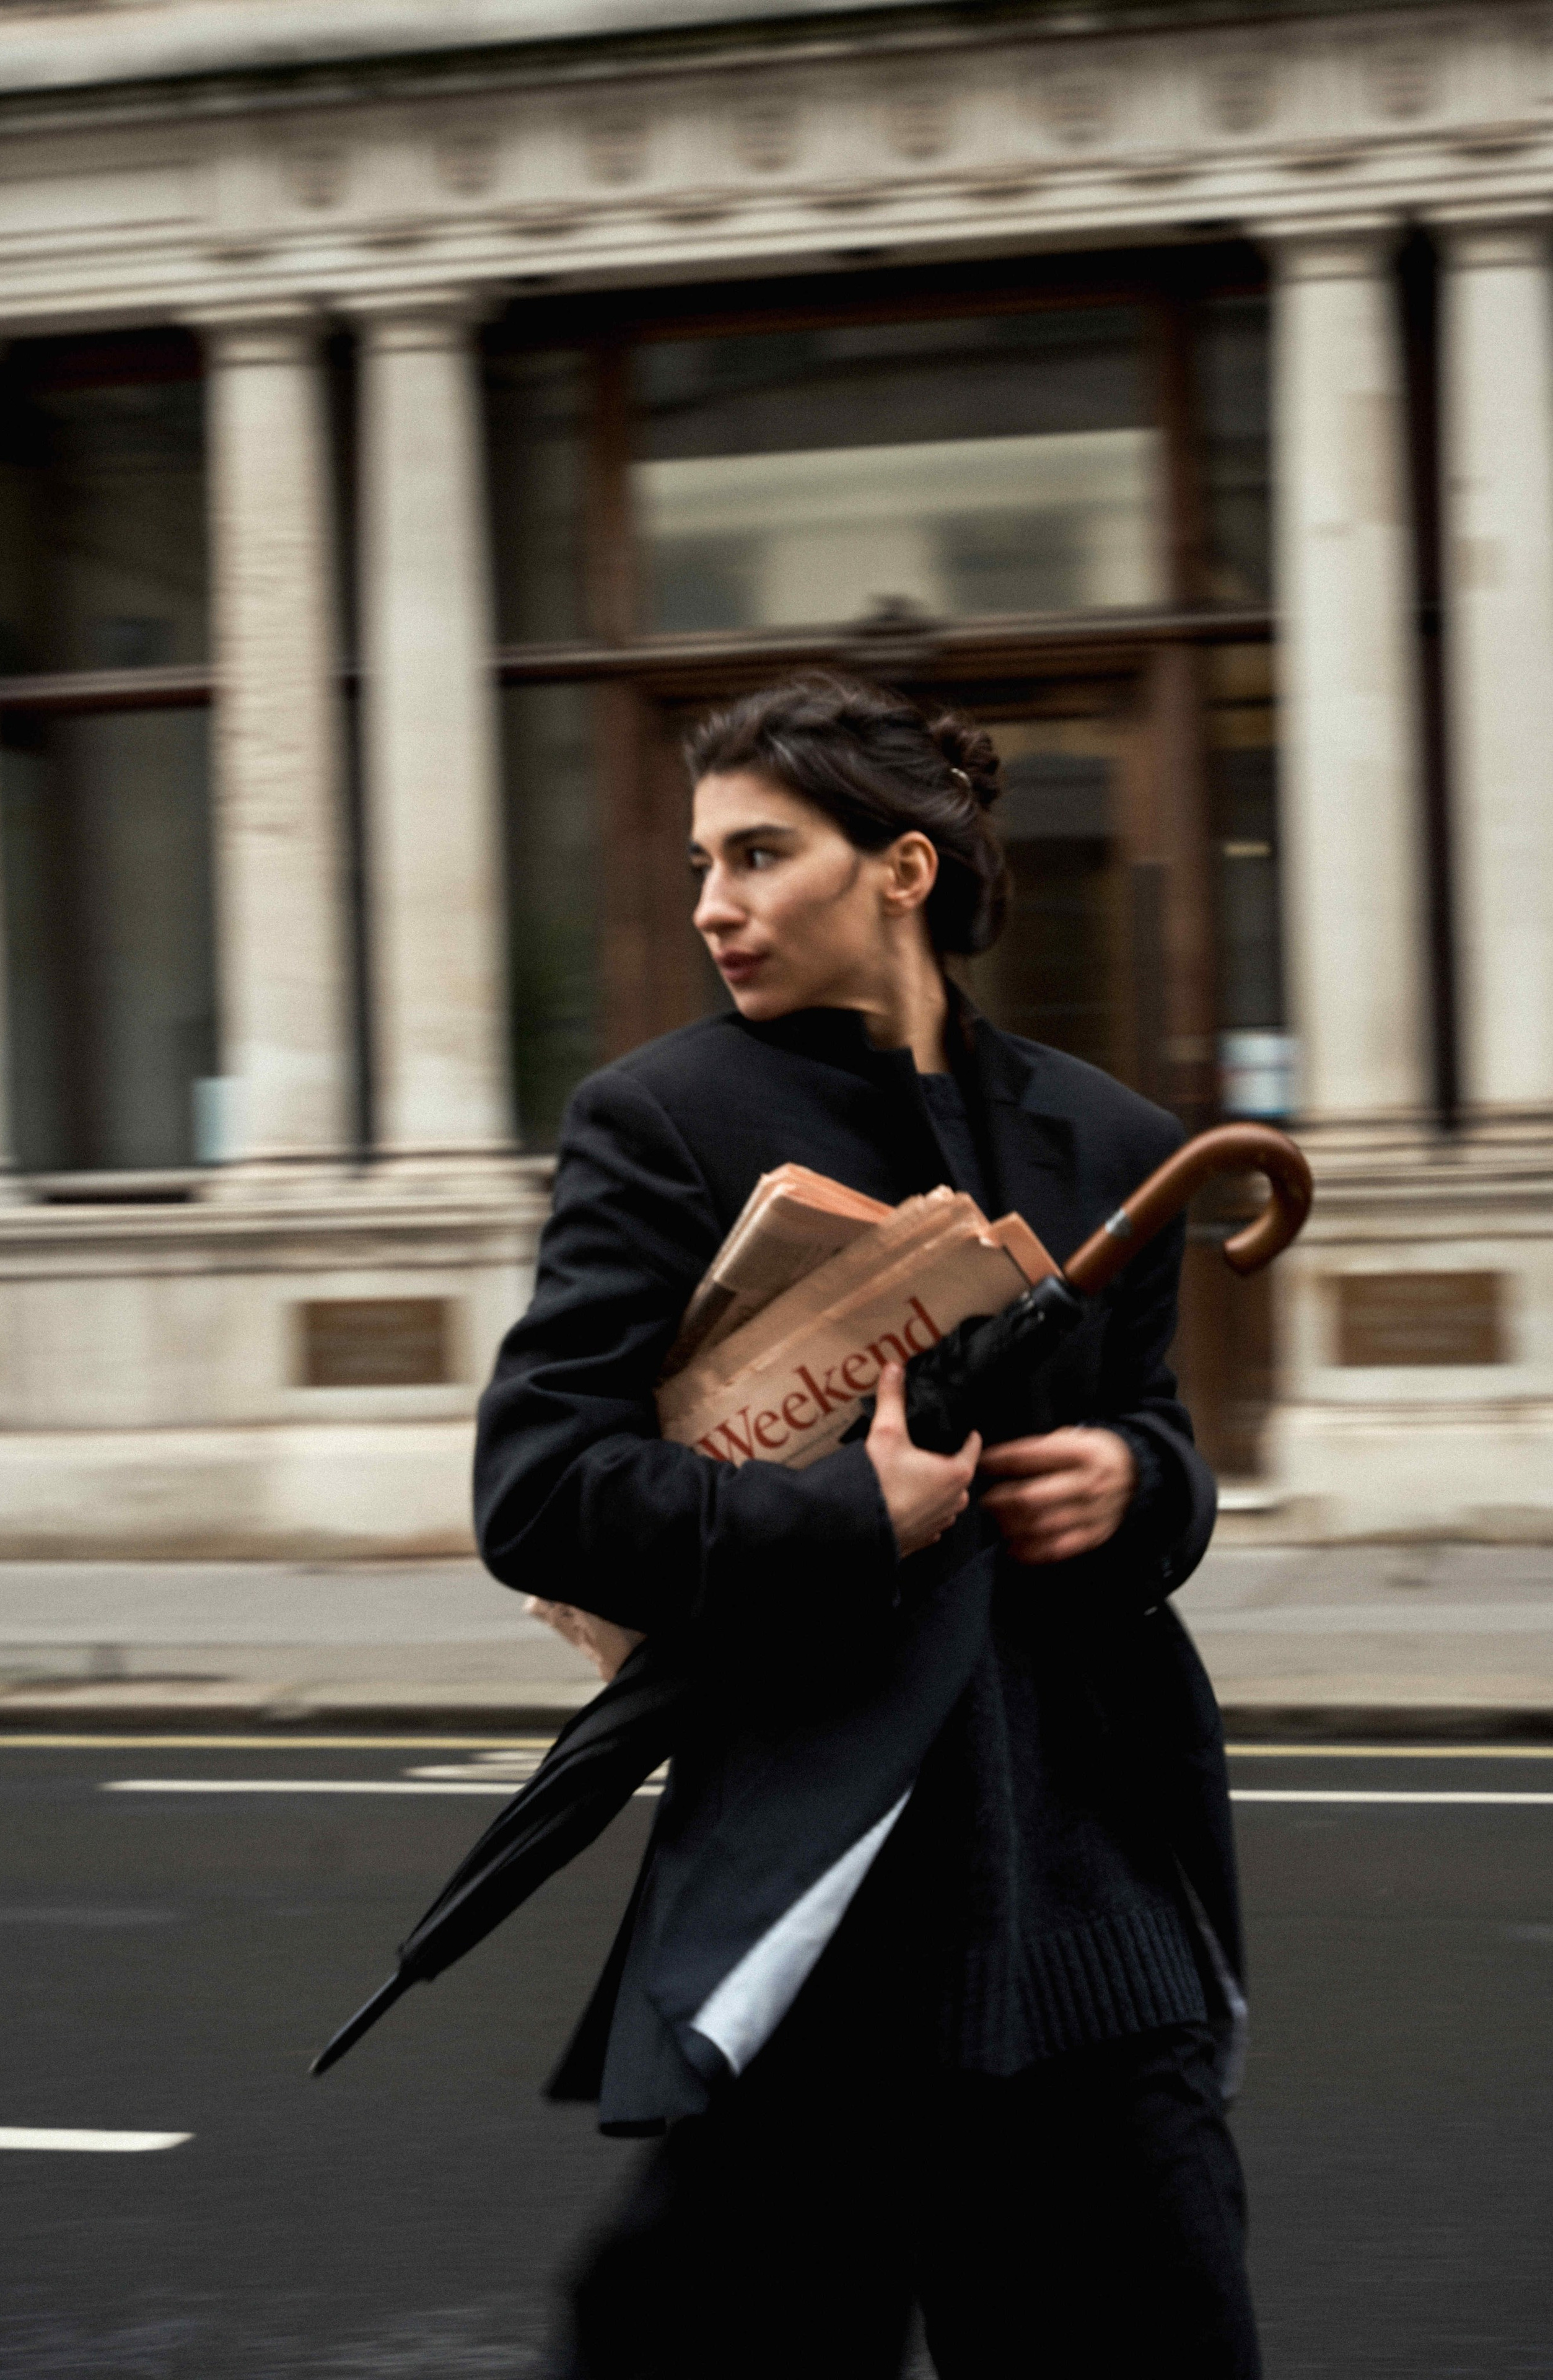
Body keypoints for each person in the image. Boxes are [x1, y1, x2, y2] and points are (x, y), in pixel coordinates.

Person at [474, 674, 1261, 2379]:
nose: (712, 905)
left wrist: (1140, 1490)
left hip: (1097, 1924)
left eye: (760, 854)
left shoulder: (1111, 1140)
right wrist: (852, 1517)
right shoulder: (664, 1122)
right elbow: (538, 1488)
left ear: (902, 869)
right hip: (822, 1940)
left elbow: (1168, 1461)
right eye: (701, 862)